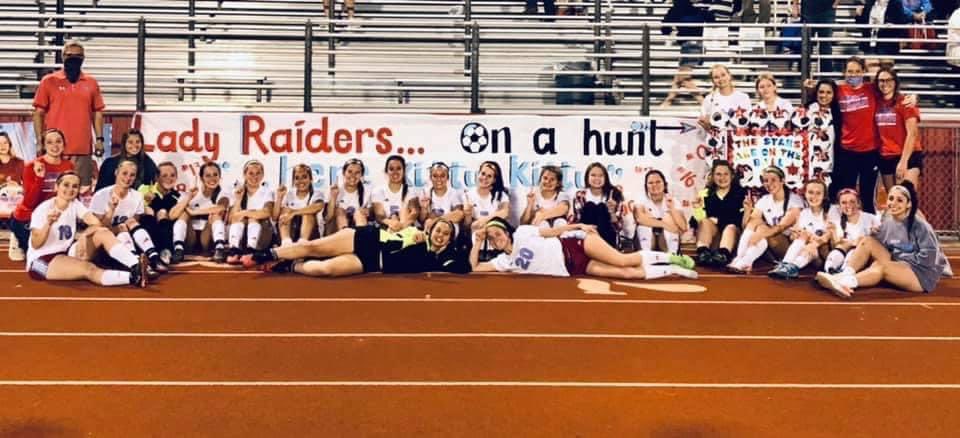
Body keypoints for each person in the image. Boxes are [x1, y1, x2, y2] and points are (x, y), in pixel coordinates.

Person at [816, 181, 949, 297]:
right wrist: (873, 235)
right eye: (891, 198)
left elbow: (929, 257)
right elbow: (876, 245)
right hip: (897, 263)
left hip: (919, 275)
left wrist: (900, 261)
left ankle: (844, 282)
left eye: (900, 200)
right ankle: (844, 274)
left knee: (881, 266)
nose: (893, 203)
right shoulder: (887, 220)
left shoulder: (920, 226)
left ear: (909, 204)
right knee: (867, 241)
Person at [470, 217, 698, 279]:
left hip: (575, 244)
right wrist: (479, 240)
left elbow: (553, 232)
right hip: (573, 267)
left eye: (497, 233)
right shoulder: (504, 262)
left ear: (506, 232)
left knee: (622, 260)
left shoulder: (522, 232)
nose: (496, 238)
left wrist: (579, 226)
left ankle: (672, 257)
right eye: (492, 237)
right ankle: (674, 271)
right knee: (625, 274)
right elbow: (475, 267)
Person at [27, 171, 148, 288]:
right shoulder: (43, 209)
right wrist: (48, 223)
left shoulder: (74, 204)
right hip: (41, 260)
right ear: (56, 187)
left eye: (75, 186)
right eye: (66, 185)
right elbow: (36, 244)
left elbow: (97, 224)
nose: (70, 189)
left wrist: (109, 211)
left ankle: (136, 264)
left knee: (102, 233)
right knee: (88, 268)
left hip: (66, 252)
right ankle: (133, 277)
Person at [243, 219, 470, 276]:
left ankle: (289, 266)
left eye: (446, 234)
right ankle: (264, 254)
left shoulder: (439, 260)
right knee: (314, 246)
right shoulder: (416, 234)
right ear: (431, 230)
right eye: (438, 230)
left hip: (371, 264)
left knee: (325, 270)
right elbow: (398, 238)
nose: (440, 235)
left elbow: (464, 268)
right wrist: (414, 237)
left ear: (450, 239)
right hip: (367, 240)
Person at [32, 40, 104, 187]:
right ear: (63, 57)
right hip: (55, 150)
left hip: (82, 149)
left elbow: (97, 112)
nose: (73, 59)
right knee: (51, 191)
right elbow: (38, 113)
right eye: (70, 55)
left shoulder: (91, 83)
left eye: (78, 56)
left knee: (82, 190)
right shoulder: (49, 81)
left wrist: (99, 139)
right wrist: (40, 141)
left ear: (83, 58)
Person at [89, 159, 167, 276]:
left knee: (132, 222)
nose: (128, 178)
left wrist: (124, 226)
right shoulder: (101, 195)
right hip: (106, 240)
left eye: (132, 175)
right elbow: (98, 228)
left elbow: (135, 223)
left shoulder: (137, 196)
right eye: (124, 173)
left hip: (126, 236)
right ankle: (136, 262)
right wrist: (112, 210)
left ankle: (153, 258)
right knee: (122, 226)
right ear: (116, 173)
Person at [9, 129, 75, 263]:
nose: (55, 146)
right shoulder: (31, 166)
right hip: (29, 217)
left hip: (55, 216)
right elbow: (29, 203)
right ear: (43, 145)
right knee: (40, 259)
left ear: (64, 144)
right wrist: (39, 177)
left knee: (59, 256)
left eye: (58, 141)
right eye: (49, 142)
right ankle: (17, 237)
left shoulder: (68, 165)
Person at [727, 166, 804, 273]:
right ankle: (742, 260)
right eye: (766, 181)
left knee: (764, 231)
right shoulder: (764, 200)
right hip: (768, 245)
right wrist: (747, 211)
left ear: (782, 181)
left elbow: (782, 227)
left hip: (788, 246)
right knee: (756, 223)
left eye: (773, 180)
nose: (769, 184)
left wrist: (760, 234)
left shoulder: (794, 201)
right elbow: (747, 226)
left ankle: (744, 261)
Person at [768, 180, 832, 279]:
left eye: (818, 193)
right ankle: (786, 265)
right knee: (802, 236)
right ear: (805, 194)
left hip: (821, 255)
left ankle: (791, 267)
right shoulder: (802, 213)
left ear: (824, 196)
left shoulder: (830, 213)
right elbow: (794, 236)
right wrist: (795, 235)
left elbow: (827, 237)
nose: (814, 196)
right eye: (810, 192)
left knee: (807, 240)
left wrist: (812, 240)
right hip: (803, 252)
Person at [874, 67, 923, 193]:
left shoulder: (905, 103)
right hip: (886, 156)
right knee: (893, 202)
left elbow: (912, 134)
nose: (885, 84)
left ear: (895, 82)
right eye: (881, 80)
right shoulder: (876, 102)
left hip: (907, 155)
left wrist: (903, 162)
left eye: (888, 80)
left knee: (906, 198)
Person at [173, 161, 230, 263]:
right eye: (208, 175)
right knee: (184, 213)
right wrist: (189, 197)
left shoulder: (223, 194)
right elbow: (172, 215)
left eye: (215, 175)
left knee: (215, 215)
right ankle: (178, 248)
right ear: (201, 178)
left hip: (207, 238)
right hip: (190, 237)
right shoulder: (193, 192)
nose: (212, 179)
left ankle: (219, 248)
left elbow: (221, 207)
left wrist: (195, 212)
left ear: (220, 177)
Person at [693, 160, 747, 267]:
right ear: (712, 176)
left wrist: (719, 220)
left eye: (726, 174)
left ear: (732, 176)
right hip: (713, 238)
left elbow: (739, 220)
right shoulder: (704, 194)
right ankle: (703, 252)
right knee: (705, 222)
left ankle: (723, 255)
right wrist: (697, 209)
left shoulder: (741, 193)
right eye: (718, 174)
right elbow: (697, 222)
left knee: (730, 227)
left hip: (732, 238)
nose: (722, 178)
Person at [140, 162, 192, 265]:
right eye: (164, 175)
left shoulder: (177, 196)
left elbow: (172, 215)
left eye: (172, 175)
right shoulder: (144, 189)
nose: (169, 178)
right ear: (157, 177)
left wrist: (155, 201)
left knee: (163, 213)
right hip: (147, 234)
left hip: (167, 236)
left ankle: (166, 251)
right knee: (148, 212)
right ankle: (149, 253)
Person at [225, 160, 275, 264]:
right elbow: (231, 219)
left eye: (258, 173)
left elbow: (266, 212)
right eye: (251, 173)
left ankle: (251, 250)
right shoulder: (237, 191)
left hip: (261, 235)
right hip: (241, 235)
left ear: (262, 175)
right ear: (244, 175)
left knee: (253, 217)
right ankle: (234, 250)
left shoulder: (267, 192)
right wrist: (238, 200)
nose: (254, 177)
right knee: (240, 220)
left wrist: (245, 213)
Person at [823, 188, 881, 274]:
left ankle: (843, 272)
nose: (848, 205)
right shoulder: (837, 221)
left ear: (858, 204)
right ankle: (830, 269)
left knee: (854, 249)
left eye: (852, 201)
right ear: (839, 206)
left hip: (863, 257)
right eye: (844, 202)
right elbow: (836, 244)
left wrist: (874, 234)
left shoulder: (870, 218)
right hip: (844, 253)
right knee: (843, 246)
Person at [570, 162, 626, 248]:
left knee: (601, 207)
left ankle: (604, 250)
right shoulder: (580, 195)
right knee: (590, 206)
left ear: (606, 178)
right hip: (587, 235)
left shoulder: (614, 194)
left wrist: (612, 212)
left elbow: (618, 228)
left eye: (601, 175)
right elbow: (577, 221)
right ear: (587, 177)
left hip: (608, 238)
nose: (597, 178)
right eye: (593, 175)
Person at [632, 170, 688, 254]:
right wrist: (663, 225)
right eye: (650, 183)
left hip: (667, 242)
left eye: (658, 182)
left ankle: (671, 255)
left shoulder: (672, 200)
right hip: (648, 242)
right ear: (646, 186)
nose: (654, 185)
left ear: (665, 184)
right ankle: (646, 255)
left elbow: (683, 226)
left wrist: (672, 209)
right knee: (645, 225)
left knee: (670, 218)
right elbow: (640, 218)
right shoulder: (641, 199)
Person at [275, 164, 325, 247]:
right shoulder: (289, 194)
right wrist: (279, 198)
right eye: (297, 178)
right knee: (285, 211)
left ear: (311, 179)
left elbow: (318, 206)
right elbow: (274, 217)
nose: (301, 181)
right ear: (293, 181)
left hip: (312, 236)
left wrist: (294, 213)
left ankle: (302, 244)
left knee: (307, 213)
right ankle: (286, 243)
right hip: (292, 232)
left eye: (304, 177)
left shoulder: (317, 193)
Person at [806, 79, 841, 198]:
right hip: (808, 164)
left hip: (829, 165)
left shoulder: (838, 113)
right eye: (821, 92)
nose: (824, 96)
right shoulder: (807, 110)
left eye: (828, 92)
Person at [698, 64, 752, 131]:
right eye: (716, 77)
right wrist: (707, 125)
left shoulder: (743, 97)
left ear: (729, 76)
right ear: (713, 81)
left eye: (723, 75)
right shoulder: (709, 99)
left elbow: (748, 123)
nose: (720, 79)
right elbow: (705, 125)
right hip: (717, 139)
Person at [371, 155, 417, 232]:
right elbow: (380, 216)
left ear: (404, 171)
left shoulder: (410, 191)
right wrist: (392, 224)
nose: (395, 172)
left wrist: (402, 226)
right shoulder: (378, 191)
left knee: (404, 211)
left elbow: (414, 212)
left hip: (405, 228)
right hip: (386, 228)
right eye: (391, 169)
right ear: (386, 171)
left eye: (398, 168)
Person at [326, 158, 371, 234]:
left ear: (361, 175)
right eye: (350, 172)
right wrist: (333, 197)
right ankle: (344, 237)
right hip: (336, 230)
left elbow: (372, 213)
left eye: (357, 172)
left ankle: (361, 240)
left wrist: (368, 211)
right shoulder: (334, 189)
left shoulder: (368, 191)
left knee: (359, 213)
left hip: (358, 227)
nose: (353, 176)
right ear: (344, 173)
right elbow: (328, 217)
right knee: (340, 211)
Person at [419, 162, 465, 234]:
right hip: (431, 231)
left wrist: (436, 220)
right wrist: (424, 209)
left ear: (447, 178)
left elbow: (459, 214)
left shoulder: (453, 193)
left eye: (442, 176)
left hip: (448, 230)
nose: (439, 179)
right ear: (430, 178)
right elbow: (422, 220)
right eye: (435, 176)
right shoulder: (426, 192)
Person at [463, 161, 510, 231]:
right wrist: (468, 215)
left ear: (494, 180)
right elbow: (467, 227)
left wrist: (484, 220)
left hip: (494, 229)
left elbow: (505, 212)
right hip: (475, 232)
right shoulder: (468, 195)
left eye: (489, 176)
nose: (485, 178)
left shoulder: (500, 194)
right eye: (483, 174)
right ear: (478, 174)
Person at [793, 0, 837, 72]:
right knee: (806, 45)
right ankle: (804, 75)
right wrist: (795, 6)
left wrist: (835, 3)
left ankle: (826, 78)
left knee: (826, 46)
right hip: (808, 10)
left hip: (827, 10)